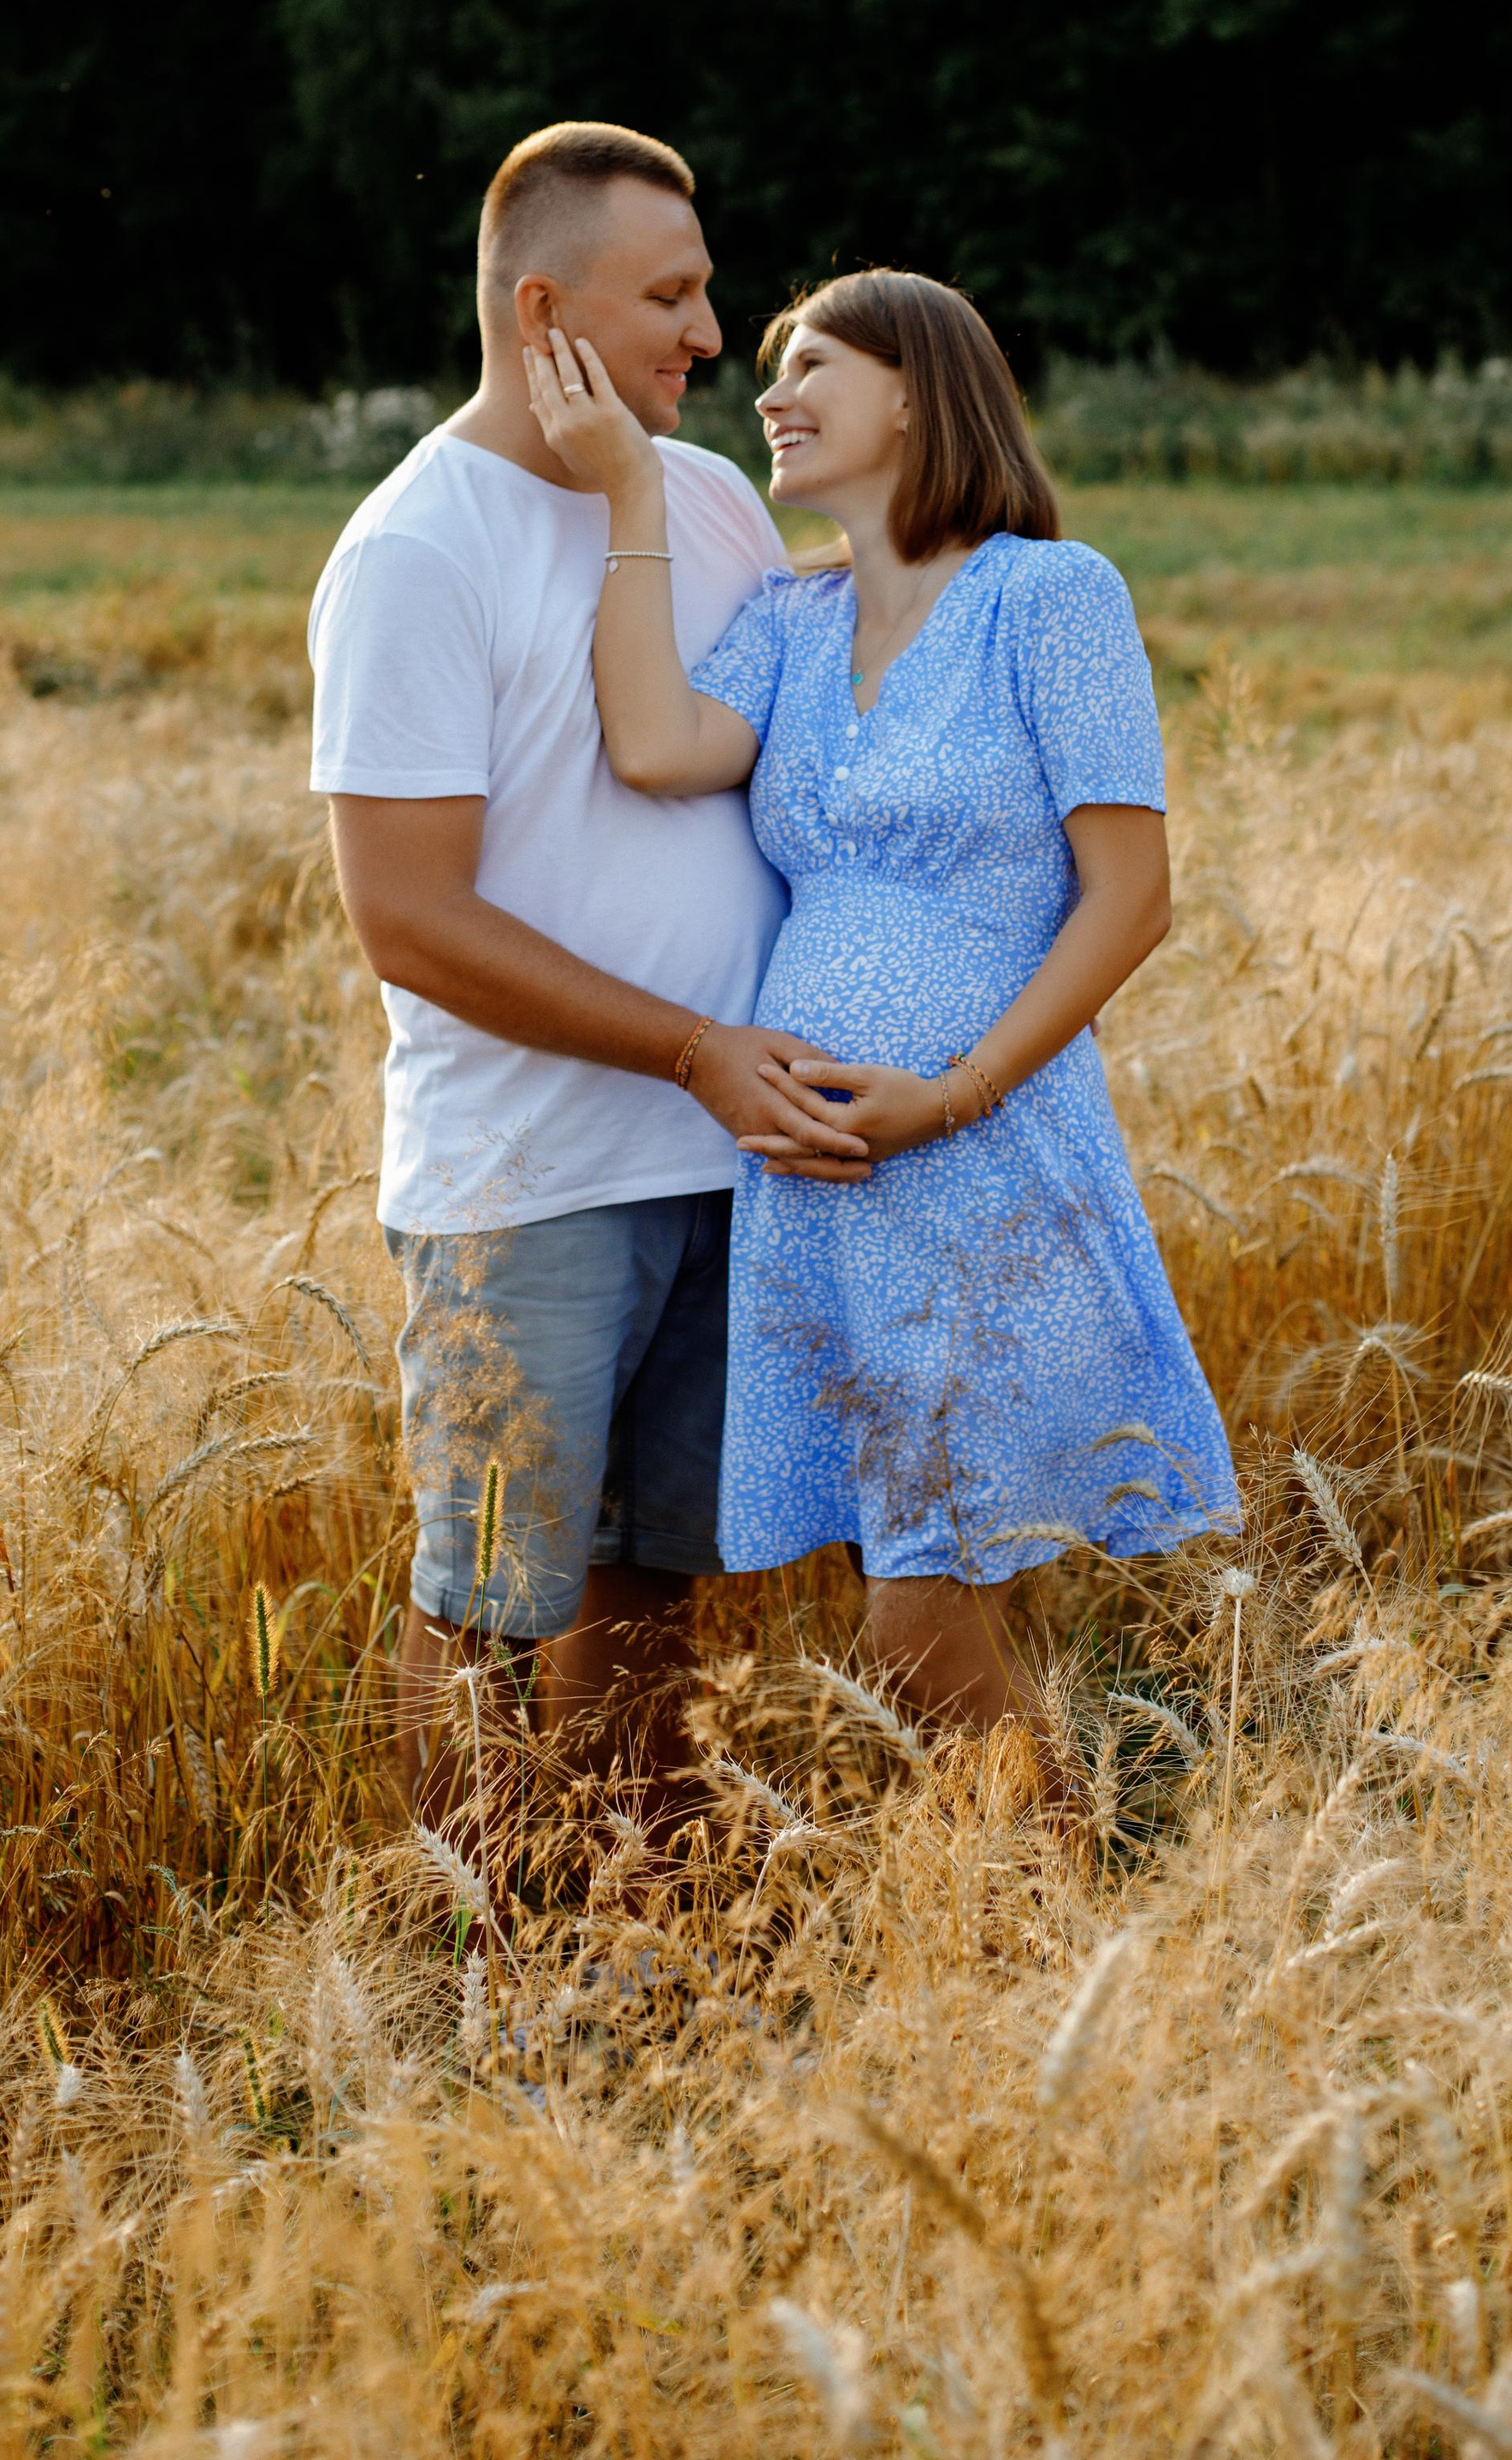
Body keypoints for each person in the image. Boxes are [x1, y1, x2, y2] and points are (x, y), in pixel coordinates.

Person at [525, 267, 1241, 1736]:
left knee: (921, 1612)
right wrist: (631, 503)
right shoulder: (795, 624)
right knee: (916, 1586)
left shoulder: (1051, 598)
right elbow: (656, 747)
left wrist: (953, 1091)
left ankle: (1064, 1925)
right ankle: (1023, 1934)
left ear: (916, 392)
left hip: (982, 1156)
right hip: (821, 1185)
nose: (770, 398)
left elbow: (1132, 899)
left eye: (810, 368)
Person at [309, 121, 869, 1851]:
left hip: (732, 1157)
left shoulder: (699, 499)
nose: (712, 336)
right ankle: (470, 1972)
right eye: (672, 297)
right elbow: (406, 918)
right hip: (529, 1179)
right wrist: (693, 1047)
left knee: (653, 1580)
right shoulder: (418, 553)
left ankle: (630, 1947)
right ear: (542, 313)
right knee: (485, 1606)